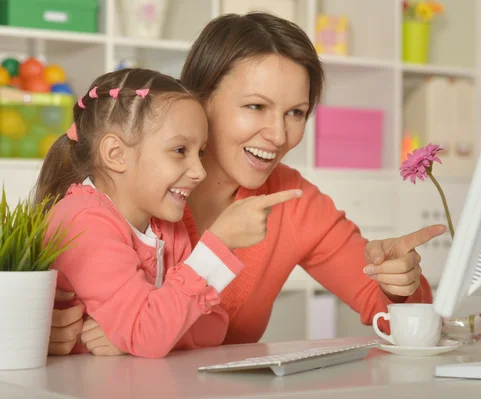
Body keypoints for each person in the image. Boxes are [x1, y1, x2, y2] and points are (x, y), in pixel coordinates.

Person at [48, 12, 445, 356]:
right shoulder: (145, 198)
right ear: (200, 99)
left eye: (296, 113)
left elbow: (403, 321)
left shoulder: (294, 201)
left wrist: (400, 286)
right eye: (256, 106)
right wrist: (32, 328)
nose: (278, 134)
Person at [37, 68, 302, 358]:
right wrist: (217, 247)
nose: (199, 171)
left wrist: (141, 336)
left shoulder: (164, 227)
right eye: (179, 150)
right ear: (115, 154)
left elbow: (214, 326)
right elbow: (148, 334)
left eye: (199, 152)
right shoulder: (84, 222)